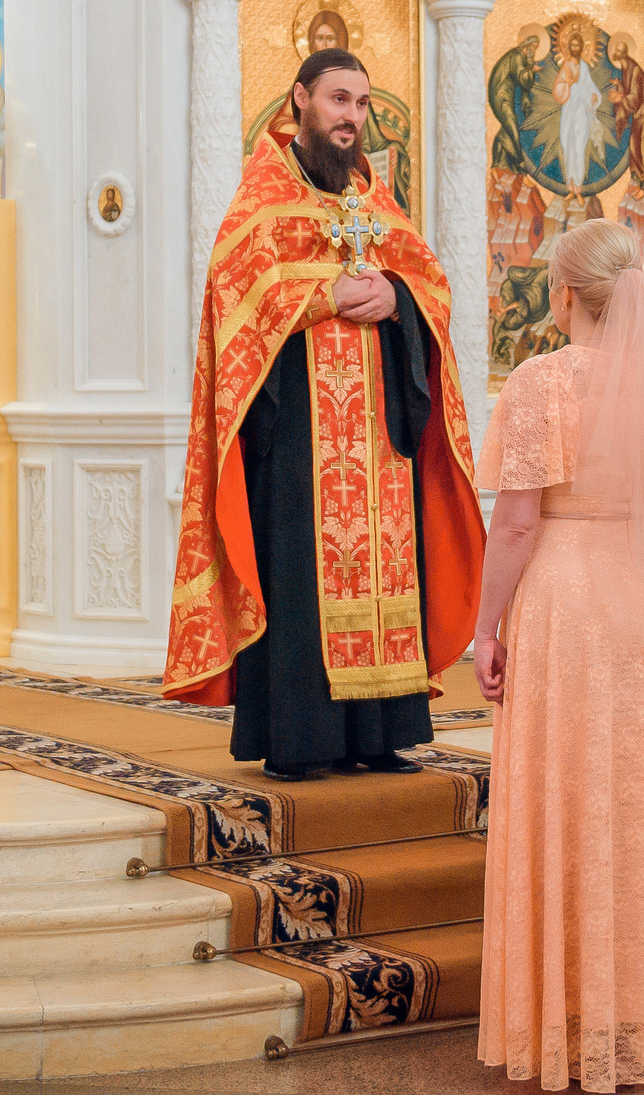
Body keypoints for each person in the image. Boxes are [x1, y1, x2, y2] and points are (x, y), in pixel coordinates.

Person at [162, 48, 484, 780]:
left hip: (379, 437)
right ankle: (301, 738)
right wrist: (325, 296)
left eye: (363, 104)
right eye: (339, 100)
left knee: (389, 571)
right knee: (306, 574)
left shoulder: (374, 199)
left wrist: (397, 298)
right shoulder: (263, 197)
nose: (352, 118)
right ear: (301, 99)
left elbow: (429, 281)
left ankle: (382, 730)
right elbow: (236, 293)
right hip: (298, 436)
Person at [474, 218, 644, 1091]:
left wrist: (484, 627)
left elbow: (514, 521)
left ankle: (564, 1015)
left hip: (568, 600)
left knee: (567, 790)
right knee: (642, 792)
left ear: (561, 297)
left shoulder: (542, 382)